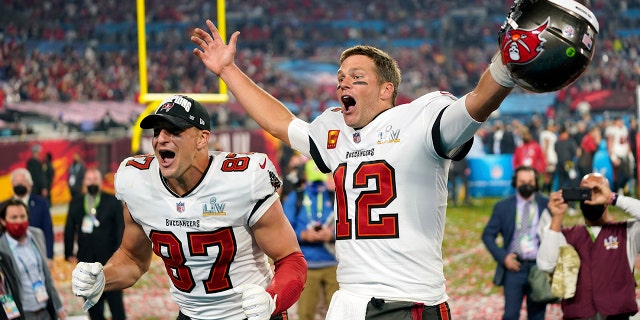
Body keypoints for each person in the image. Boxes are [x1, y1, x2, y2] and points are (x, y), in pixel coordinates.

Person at [191, 17, 518, 318]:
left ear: (386, 90)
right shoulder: (336, 132)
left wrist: (506, 62)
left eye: (357, 79)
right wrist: (228, 70)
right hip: (349, 299)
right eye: (341, 78)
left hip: (408, 300)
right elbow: (280, 123)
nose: (343, 84)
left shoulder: (422, 117)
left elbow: (477, 103)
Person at [71, 94, 307, 320]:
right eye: (157, 132)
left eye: (174, 131)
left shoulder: (244, 179)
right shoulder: (137, 181)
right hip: (190, 315)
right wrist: (104, 277)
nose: (161, 139)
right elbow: (133, 258)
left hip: (252, 314)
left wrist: (271, 299)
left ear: (202, 138)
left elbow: (291, 259)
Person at [537, 172, 640, 319]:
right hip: (579, 314)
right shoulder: (563, 234)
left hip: (617, 314)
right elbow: (546, 265)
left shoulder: (628, 232)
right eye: (585, 190)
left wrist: (613, 198)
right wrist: (557, 217)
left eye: (597, 189)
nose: (592, 195)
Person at [481, 166, 550, 320]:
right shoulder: (503, 206)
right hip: (513, 267)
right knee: (510, 315)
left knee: (538, 316)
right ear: (515, 183)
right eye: (522, 181)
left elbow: (556, 233)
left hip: (538, 268)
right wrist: (503, 257)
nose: (527, 184)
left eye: (530, 181)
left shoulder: (547, 204)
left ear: (536, 182)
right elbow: (488, 235)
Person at [64, 168, 126, 320]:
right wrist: (68, 252)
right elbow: (69, 227)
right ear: (84, 182)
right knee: (94, 308)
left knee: (116, 305)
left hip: (110, 261)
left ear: (100, 181)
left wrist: (120, 252)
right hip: (86, 262)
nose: (92, 182)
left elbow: (121, 227)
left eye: (95, 178)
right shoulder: (77, 202)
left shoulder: (112, 201)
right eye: (89, 179)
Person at [283, 160, 338, 320]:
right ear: (305, 176)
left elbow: (349, 225)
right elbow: (284, 230)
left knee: (338, 314)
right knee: (306, 314)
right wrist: (303, 235)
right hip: (307, 266)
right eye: (314, 181)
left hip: (333, 264)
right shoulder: (296, 197)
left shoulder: (333, 196)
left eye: (320, 181)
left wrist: (332, 235)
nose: (318, 185)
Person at [0, 199, 66, 319]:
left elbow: (47, 275)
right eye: (14, 217)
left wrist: (59, 307)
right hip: (23, 313)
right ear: (3, 221)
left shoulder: (37, 235)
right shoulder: (2, 247)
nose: (19, 221)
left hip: (45, 310)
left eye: (22, 216)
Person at [7, 168, 55, 261]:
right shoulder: (4, 206)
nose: (19, 184)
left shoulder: (41, 203)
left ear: (30, 185)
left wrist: (49, 256)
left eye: (22, 181)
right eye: (16, 181)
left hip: (37, 254)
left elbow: (48, 230)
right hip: (11, 256)